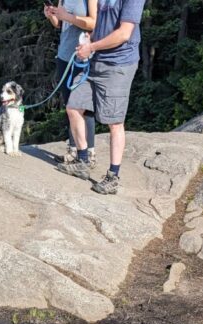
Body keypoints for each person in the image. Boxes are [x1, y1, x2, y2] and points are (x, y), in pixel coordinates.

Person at [55, 0, 146, 195]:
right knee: (74, 107)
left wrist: (92, 46)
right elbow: (96, 24)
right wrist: (88, 42)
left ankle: (113, 176)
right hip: (95, 59)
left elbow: (124, 33)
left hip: (119, 64)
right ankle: (82, 160)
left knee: (114, 122)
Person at [43, 0, 97, 166]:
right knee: (70, 106)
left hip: (82, 57)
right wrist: (52, 16)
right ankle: (74, 149)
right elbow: (61, 25)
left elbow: (93, 23)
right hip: (64, 56)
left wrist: (68, 16)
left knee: (83, 106)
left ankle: (89, 153)